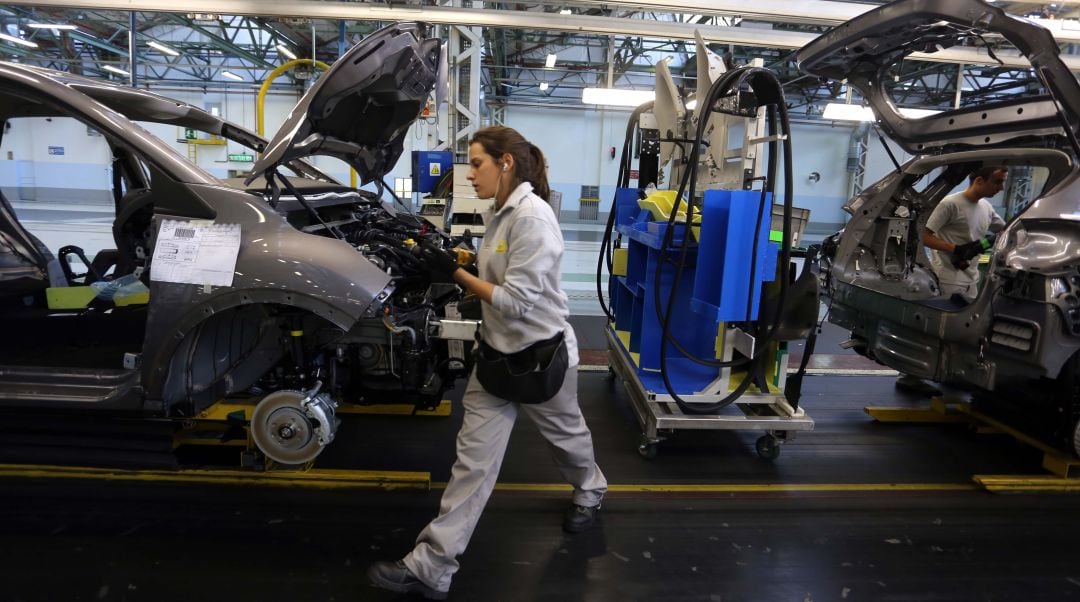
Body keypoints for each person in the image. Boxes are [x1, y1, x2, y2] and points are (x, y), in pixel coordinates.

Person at [367, 125, 608, 600]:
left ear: (506, 163)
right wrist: (458, 260)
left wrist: (455, 274)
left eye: (476, 163)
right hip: (497, 358)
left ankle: (591, 489)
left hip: (541, 361)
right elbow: (497, 271)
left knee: (567, 438)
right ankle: (432, 565)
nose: (469, 174)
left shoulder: (533, 218)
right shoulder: (500, 211)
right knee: (472, 465)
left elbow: (517, 301)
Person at [896, 165, 1008, 397]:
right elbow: (923, 235)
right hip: (946, 277)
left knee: (967, 333)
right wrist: (956, 249)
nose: (1001, 188)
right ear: (979, 179)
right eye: (997, 182)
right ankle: (911, 375)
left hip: (971, 279)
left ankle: (952, 373)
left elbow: (1006, 230)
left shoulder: (986, 208)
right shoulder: (950, 204)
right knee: (937, 330)